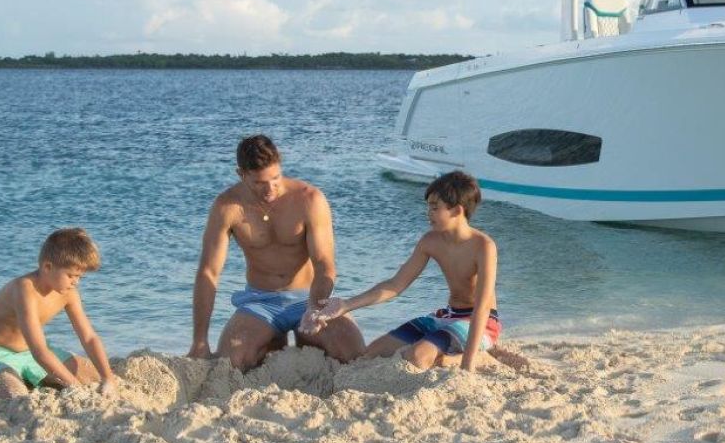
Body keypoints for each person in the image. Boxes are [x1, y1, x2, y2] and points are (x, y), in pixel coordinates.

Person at [188, 134, 363, 370]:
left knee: (353, 354)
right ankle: (272, 340)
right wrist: (199, 341)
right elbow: (208, 272)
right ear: (241, 174)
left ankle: (302, 339)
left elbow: (324, 264)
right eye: (260, 183)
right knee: (231, 363)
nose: (270, 189)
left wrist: (314, 308)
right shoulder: (227, 207)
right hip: (260, 303)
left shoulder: (309, 199)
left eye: (275, 178)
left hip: (309, 297)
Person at [307, 171, 499, 371]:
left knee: (416, 357)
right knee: (370, 355)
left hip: (482, 322)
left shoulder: (483, 246)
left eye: (435, 208)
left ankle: (476, 357)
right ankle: (444, 351)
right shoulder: (430, 241)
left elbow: (483, 306)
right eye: (428, 207)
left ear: (457, 211)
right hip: (447, 315)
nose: (428, 213)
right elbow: (395, 284)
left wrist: (468, 364)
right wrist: (347, 305)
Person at [0, 228, 118, 400]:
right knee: (16, 396)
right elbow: (39, 351)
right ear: (47, 267)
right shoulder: (24, 289)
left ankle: (34, 380)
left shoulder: (69, 293)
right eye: (71, 275)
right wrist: (76, 388)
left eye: (80, 277)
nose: (75, 282)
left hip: (31, 354)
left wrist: (108, 378)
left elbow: (89, 337)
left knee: (95, 377)